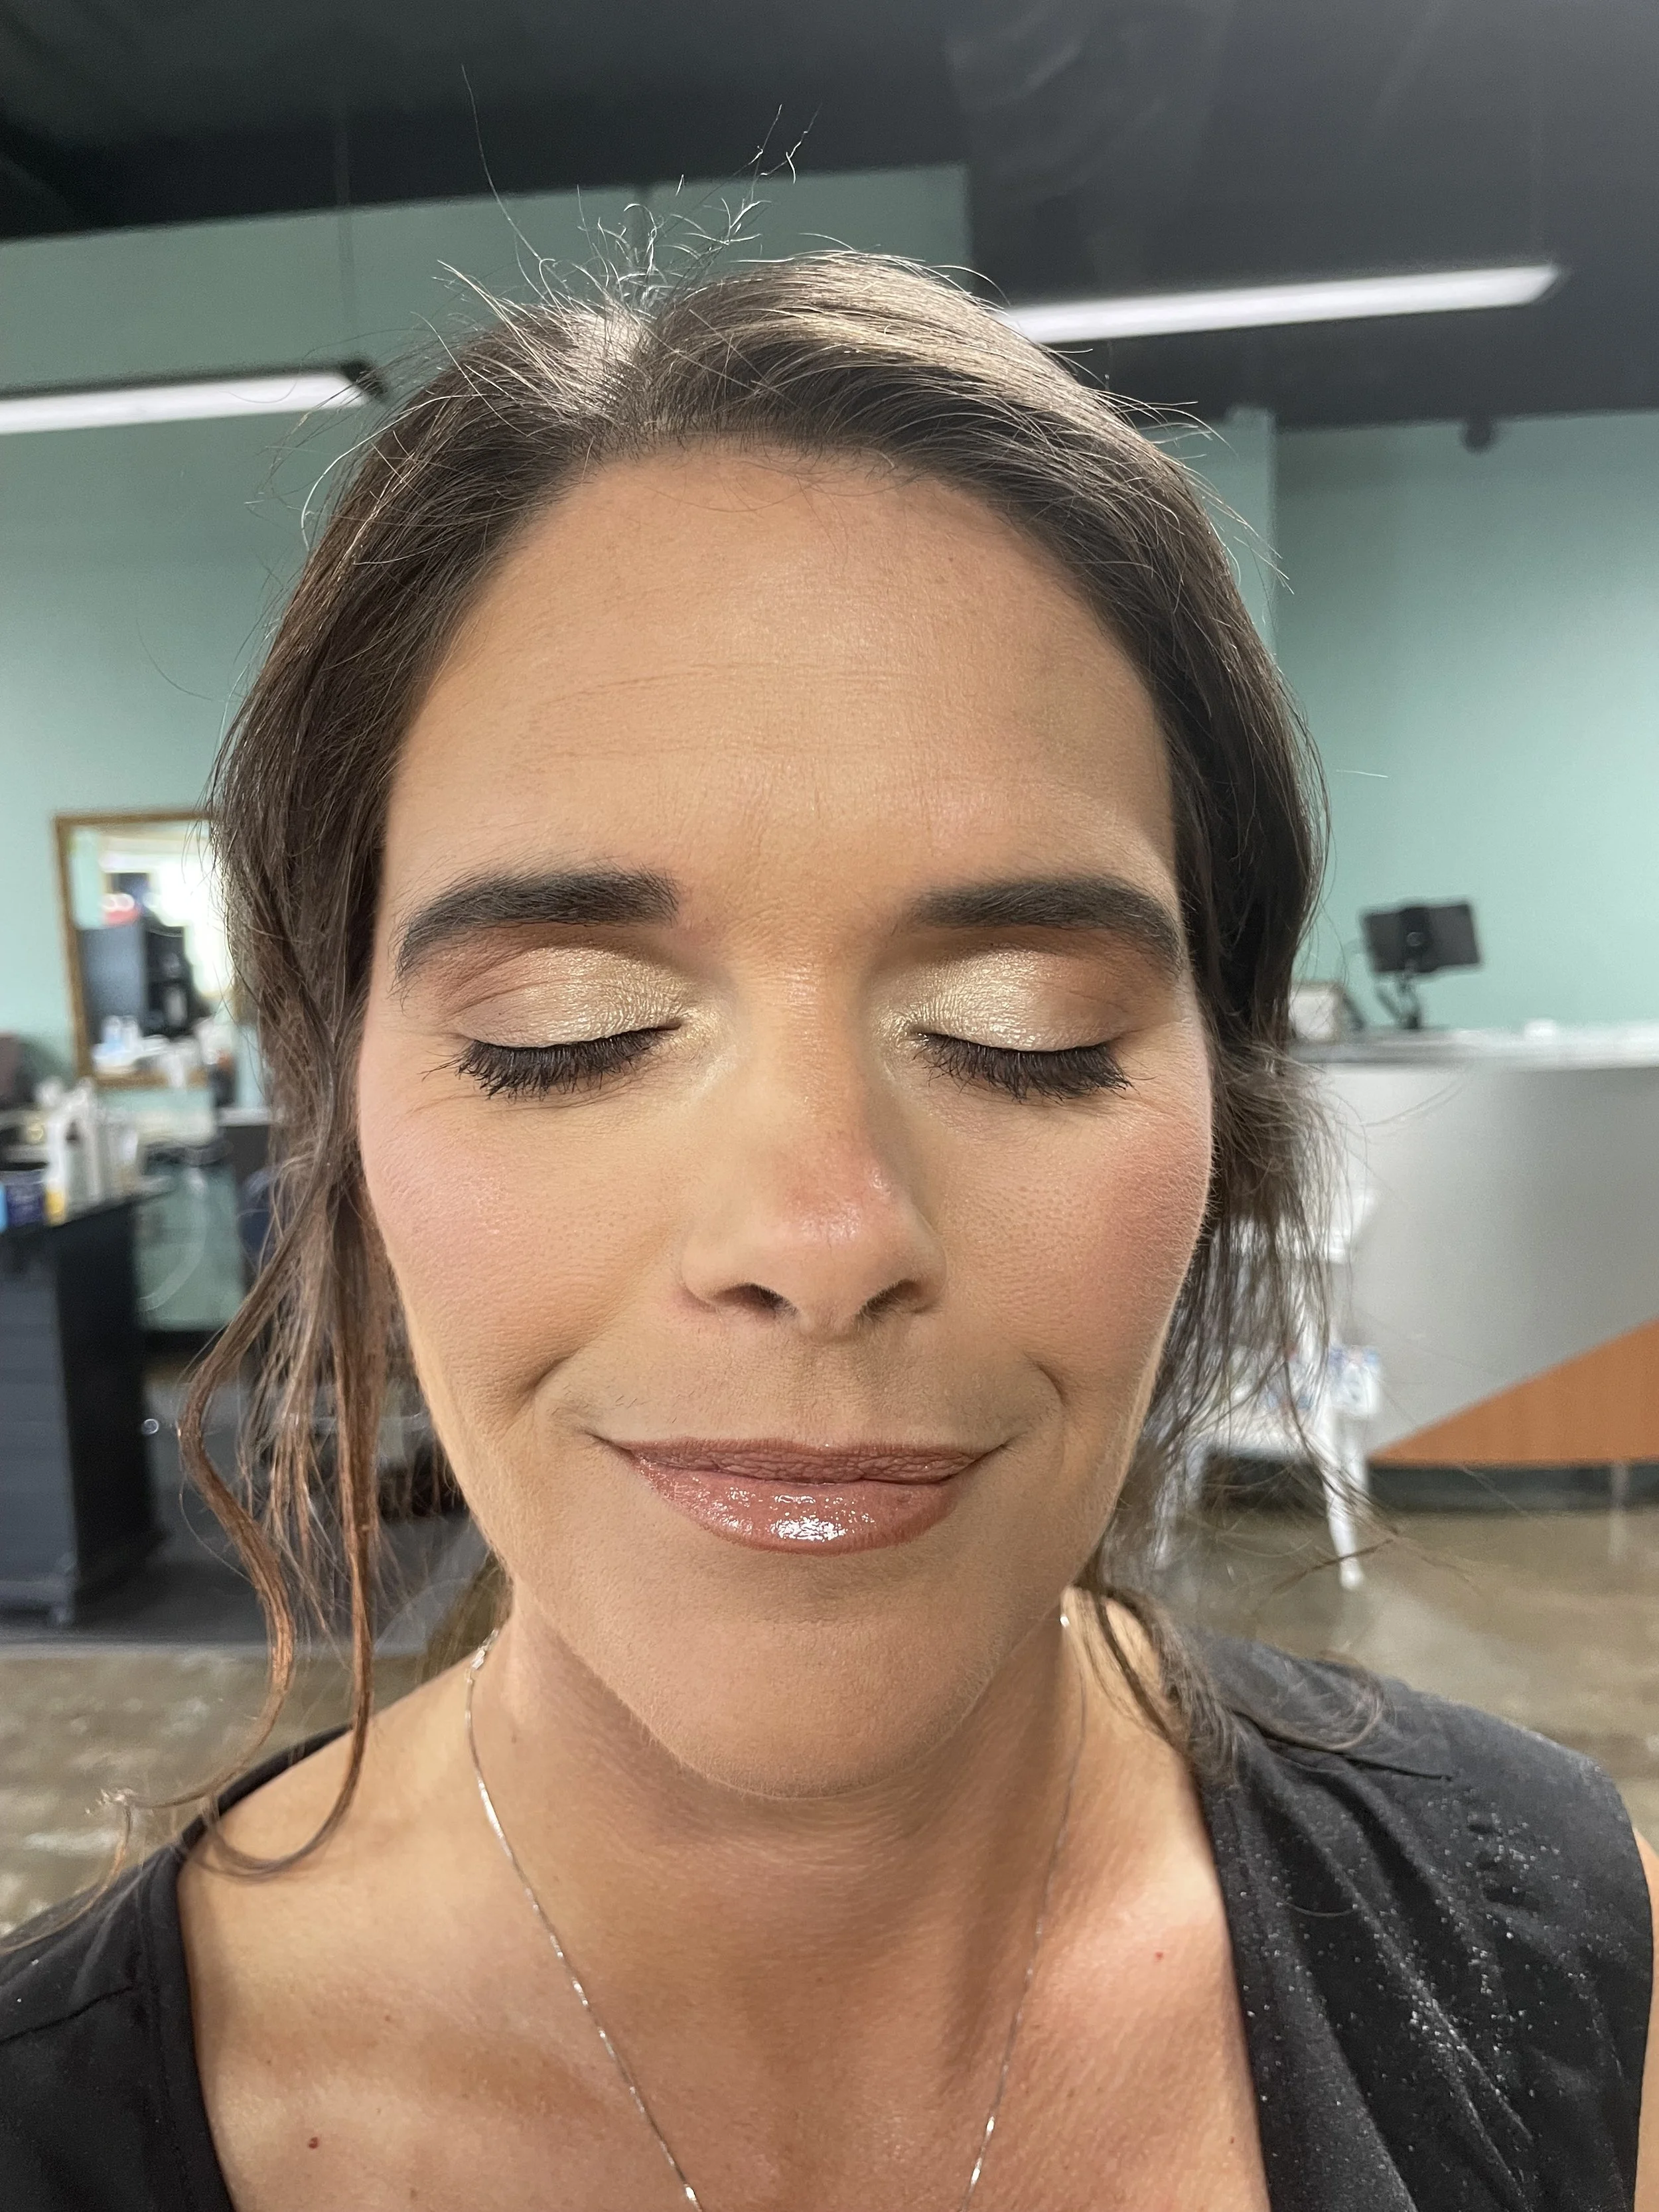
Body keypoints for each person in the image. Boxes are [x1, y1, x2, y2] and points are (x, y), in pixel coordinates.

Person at [1, 254, 1651, 2212]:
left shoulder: (1553, 1946)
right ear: (343, 1117)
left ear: (1224, 1107)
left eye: (1020, 1030)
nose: (822, 1232)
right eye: (567, 1034)